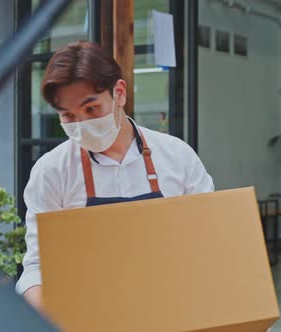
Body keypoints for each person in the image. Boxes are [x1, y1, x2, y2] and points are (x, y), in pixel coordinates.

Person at [16, 41, 214, 312]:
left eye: (91, 109)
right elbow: (37, 266)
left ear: (119, 93)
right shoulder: (52, 171)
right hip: (90, 316)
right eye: (68, 115)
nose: (82, 124)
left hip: (171, 310)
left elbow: (209, 244)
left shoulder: (177, 157)